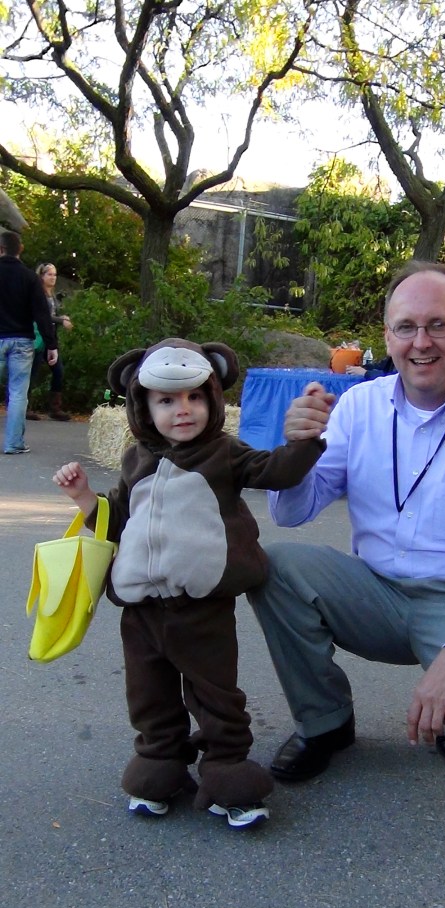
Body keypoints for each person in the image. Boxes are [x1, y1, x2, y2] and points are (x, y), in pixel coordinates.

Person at [247, 260, 445, 782]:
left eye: (439, 324)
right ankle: (325, 722)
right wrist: (296, 452)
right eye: (406, 327)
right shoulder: (357, 408)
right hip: (373, 591)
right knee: (273, 565)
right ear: (389, 337)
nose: (422, 342)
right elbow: (293, 512)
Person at [53, 338, 325, 828]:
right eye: (166, 400)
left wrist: (304, 441)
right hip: (140, 613)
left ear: (214, 399)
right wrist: (82, 498)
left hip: (202, 609)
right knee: (149, 695)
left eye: (195, 397)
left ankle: (226, 770)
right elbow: (115, 522)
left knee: (216, 694)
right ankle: (161, 765)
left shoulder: (225, 453)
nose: (183, 410)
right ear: (143, 407)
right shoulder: (136, 459)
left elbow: (276, 471)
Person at [0, 231, 57, 454]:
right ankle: (14, 443)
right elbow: (42, 315)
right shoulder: (29, 278)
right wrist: (51, 345)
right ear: (20, 249)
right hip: (22, 341)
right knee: (17, 394)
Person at [27, 262, 73, 421]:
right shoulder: (37, 293)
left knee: (58, 371)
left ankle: (55, 408)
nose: (53, 277)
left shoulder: (51, 294)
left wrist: (61, 318)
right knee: (32, 372)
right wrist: (61, 320)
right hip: (38, 337)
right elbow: (41, 316)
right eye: (49, 274)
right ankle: (25, 407)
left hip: (50, 338)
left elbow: (51, 315)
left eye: (55, 274)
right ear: (42, 275)